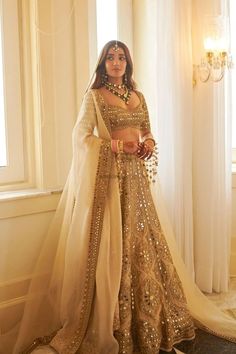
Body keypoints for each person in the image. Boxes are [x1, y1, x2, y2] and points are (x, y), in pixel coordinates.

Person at [1, 40, 236, 354]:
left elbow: (147, 131)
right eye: (110, 57)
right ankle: (114, 319)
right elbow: (80, 138)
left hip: (137, 182)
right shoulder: (94, 97)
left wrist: (148, 143)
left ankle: (150, 315)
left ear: (128, 63)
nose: (116, 62)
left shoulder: (138, 96)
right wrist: (116, 147)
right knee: (113, 247)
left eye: (121, 57)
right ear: (103, 64)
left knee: (143, 244)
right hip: (108, 185)